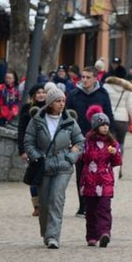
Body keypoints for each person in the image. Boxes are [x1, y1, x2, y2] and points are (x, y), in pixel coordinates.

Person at [24, 84, 84, 249]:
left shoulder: (69, 121)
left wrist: (70, 157)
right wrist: (36, 156)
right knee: (44, 202)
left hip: (63, 167)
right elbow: (28, 141)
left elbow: (80, 141)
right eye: (58, 101)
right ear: (50, 103)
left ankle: (53, 236)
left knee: (57, 199)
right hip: (44, 166)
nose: (61, 104)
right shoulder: (37, 120)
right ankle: (46, 232)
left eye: (63, 101)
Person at [67, 67, 115, 216]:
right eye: (83, 77)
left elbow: (109, 117)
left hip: (98, 140)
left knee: (98, 173)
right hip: (79, 139)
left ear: (95, 78)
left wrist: (109, 138)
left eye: (88, 77)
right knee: (81, 173)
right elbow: (67, 117)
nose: (85, 80)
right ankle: (83, 206)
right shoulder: (74, 94)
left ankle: (96, 204)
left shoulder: (102, 94)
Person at [78, 106, 121, 247]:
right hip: (89, 181)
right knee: (90, 211)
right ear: (96, 126)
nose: (105, 127)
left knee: (104, 208)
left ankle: (104, 233)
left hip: (105, 181)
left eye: (107, 125)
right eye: (102, 125)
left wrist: (115, 153)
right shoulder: (87, 142)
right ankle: (91, 235)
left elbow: (117, 162)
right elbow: (81, 159)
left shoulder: (112, 143)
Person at [19, 84, 48, 217]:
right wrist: (22, 150)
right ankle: (36, 206)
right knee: (34, 176)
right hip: (32, 147)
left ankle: (46, 204)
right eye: (38, 93)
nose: (41, 94)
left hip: (47, 148)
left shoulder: (51, 108)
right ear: (33, 96)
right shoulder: (27, 109)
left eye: (43, 92)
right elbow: (22, 130)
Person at [102, 73, 132, 148]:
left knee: (107, 142)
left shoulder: (105, 87)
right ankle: (118, 158)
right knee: (121, 143)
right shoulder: (128, 90)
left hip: (108, 118)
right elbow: (131, 108)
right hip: (122, 120)